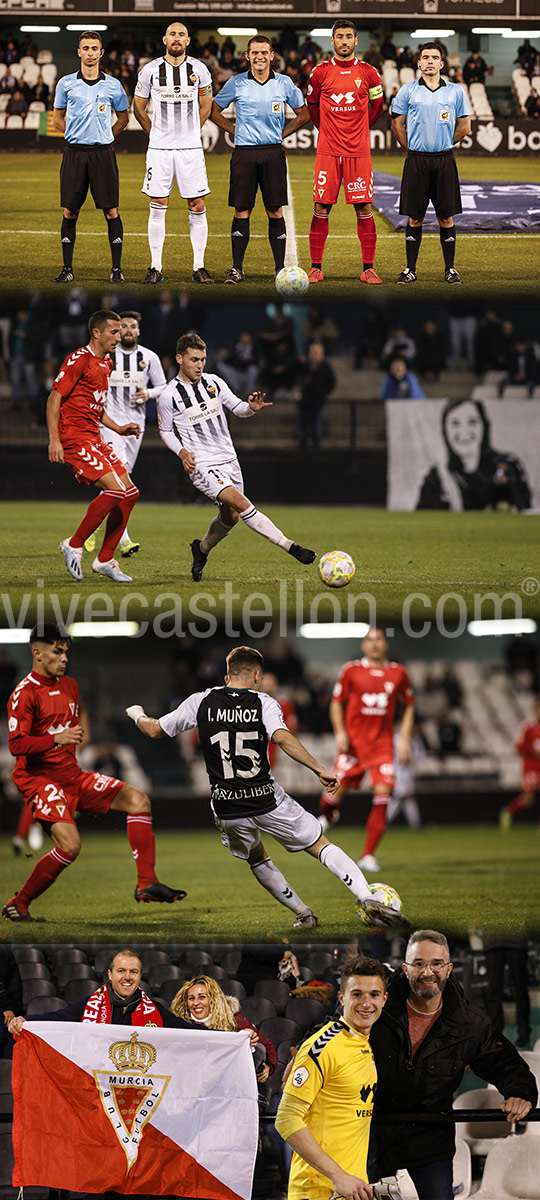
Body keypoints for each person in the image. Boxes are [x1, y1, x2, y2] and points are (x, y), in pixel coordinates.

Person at [126, 644, 406, 931]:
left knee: (257, 858)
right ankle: (365, 895)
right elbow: (282, 737)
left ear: (226, 676)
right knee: (319, 845)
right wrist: (319, 769)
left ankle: (303, 914)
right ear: (257, 676)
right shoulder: (264, 702)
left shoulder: (201, 701)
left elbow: (154, 729)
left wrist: (136, 713)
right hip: (266, 798)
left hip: (227, 805)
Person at [2, 626, 186, 923]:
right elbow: (16, 745)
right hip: (39, 779)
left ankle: (146, 883)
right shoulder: (23, 694)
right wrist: (56, 739)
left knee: (139, 801)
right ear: (36, 652)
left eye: (66, 652)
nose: (64, 658)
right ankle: (19, 902)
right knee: (71, 846)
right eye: (57, 651)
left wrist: (68, 740)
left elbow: (72, 728)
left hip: (71, 775)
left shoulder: (71, 686)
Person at [367, 930, 537, 1200]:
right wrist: (304, 1052)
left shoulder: (469, 1022)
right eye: (419, 963)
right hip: (372, 1134)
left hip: (431, 1139)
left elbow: (504, 1061)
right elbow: (335, 1029)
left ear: (449, 968)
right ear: (405, 968)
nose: (428, 972)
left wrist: (521, 1092)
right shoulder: (375, 1005)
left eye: (436, 964)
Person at [156, 333, 317, 581]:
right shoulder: (169, 395)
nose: (200, 365)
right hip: (202, 465)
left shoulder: (214, 383)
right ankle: (290, 546)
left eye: (203, 359)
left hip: (229, 460)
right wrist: (182, 452)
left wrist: (251, 408)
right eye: (194, 359)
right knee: (242, 505)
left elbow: (238, 408)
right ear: (180, 358)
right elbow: (166, 431)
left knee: (230, 517)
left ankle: (201, 549)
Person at [275, 955, 388, 1200]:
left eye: (374, 995)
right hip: (317, 1190)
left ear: (384, 999)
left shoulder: (366, 1041)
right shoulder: (322, 1047)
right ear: (341, 997)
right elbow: (286, 1119)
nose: (366, 1003)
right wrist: (338, 1175)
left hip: (351, 1189)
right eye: (357, 994)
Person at [47, 310, 142, 584]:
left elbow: (96, 406)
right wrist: (55, 440)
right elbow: (54, 399)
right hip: (74, 437)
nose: (120, 335)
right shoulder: (79, 359)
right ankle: (74, 544)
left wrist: (119, 428)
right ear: (96, 333)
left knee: (131, 493)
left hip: (94, 436)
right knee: (115, 490)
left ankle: (104, 560)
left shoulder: (106, 364)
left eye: (121, 331)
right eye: (114, 331)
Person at [210, 35, 309, 283]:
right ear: (247, 56)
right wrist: (234, 131)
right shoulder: (236, 82)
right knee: (242, 209)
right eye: (255, 52)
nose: (260, 57)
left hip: (273, 152)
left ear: (272, 55)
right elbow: (212, 111)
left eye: (264, 52)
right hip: (244, 153)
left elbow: (304, 114)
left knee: (274, 209)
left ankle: (279, 269)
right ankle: (237, 269)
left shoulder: (284, 83)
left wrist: (283, 133)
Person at [319, 627, 415, 873]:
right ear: (363, 645)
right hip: (353, 745)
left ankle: (368, 855)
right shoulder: (351, 670)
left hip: (382, 746)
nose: (374, 644)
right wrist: (340, 732)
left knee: (383, 798)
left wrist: (403, 739)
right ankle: (329, 815)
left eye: (378, 639)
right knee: (330, 798)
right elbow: (336, 703)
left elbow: (409, 706)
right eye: (369, 640)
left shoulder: (398, 673)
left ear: (385, 644)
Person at [133, 22, 214, 286]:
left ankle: (199, 267)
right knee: (158, 205)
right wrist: (154, 134)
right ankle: (155, 267)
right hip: (159, 149)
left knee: (197, 205)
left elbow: (206, 105)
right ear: (164, 39)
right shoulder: (150, 70)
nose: (176, 38)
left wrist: (191, 131)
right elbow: (139, 108)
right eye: (172, 34)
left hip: (190, 149)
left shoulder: (199, 69)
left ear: (188, 40)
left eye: (181, 35)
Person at [83, 310, 167, 559]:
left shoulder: (149, 358)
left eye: (132, 326)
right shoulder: (109, 355)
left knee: (121, 481)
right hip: (109, 425)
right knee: (119, 482)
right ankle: (123, 540)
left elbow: (162, 386)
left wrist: (148, 394)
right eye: (124, 327)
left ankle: (93, 528)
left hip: (135, 426)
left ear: (139, 331)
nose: (128, 331)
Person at [305, 20, 384, 285]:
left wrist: (359, 130)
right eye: (339, 37)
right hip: (328, 152)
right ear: (332, 41)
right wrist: (326, 130)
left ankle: (368, 268)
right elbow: (312, 106)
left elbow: (377, 106)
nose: (344, 41)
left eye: (349, 36)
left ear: (356, 40)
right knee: (321, 206)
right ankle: (316, 267)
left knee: (363, 206)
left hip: (358, 152)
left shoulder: (370, 73)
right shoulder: (319, 73)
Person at [52, 31, 128, 285]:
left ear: (101, 53)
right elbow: (57, 118)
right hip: (75, 153)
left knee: (111, 211)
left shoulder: (113, 85)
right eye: (86, 48)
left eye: (95, 48)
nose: (91, 53)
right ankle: (67, 268)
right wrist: (72, 134)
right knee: (70, 210)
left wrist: (108, 135)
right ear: (79, 52)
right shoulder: (65, 84)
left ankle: (116, 270)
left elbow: (124, 117)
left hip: (103, 154)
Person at [391, 42, 470, 284]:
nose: (430, 61)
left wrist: (445, 141)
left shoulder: (455, 91)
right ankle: (410, 269)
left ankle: (450, 269)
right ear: (418, 62)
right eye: (425, 57)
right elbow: (397, 125)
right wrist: (412, 149)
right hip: (416, 161)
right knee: (414, 217)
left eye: (435, 57)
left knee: (446, 217)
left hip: (444, 160)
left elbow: (465, 127)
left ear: (442, 64)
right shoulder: (407, 91)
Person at [8, 949, 198, 1031]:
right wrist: (27, 1020)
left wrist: (224, 1037)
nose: (127, 977)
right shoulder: (90, 1005)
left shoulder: (155, 1010)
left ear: (140, 976)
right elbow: (59, 1017)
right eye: (121, 971)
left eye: (134, 972)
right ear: (110, 974)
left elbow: (187, 1030)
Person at [416, 398, 531, 511]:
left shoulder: (506, 464)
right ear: (445, 431)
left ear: (484, 426)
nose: (464, 432)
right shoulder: (437, 477)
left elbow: (523, 504)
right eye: (455, 423)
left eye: (472, 422)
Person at [171, 973, 277, 1085]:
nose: (196, 1003)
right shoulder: (181, 1024)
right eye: (191, 998)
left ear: (212, 999)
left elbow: (267, 1045)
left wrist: (269, 1066)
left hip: (231, 1083)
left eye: (202, 997)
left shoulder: (235, 1019)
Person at [500, 697, 540, 830]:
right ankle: (508, 812)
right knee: (528, 798)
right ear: (535, 710)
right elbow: (518, 746)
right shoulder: (527, 727)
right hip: (530, 765)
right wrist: (533, 752)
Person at [296, 340, 335, 450]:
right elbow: (297, 377)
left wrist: (321, 393)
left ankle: (317, 446)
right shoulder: (305, 365)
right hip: (304, 400)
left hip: (317, 401)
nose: (314, 355)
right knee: (302, 425)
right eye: (312, 352)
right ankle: (302, 446)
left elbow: (331, 382)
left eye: (317, 352)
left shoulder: (325, 367)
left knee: (316, 424)